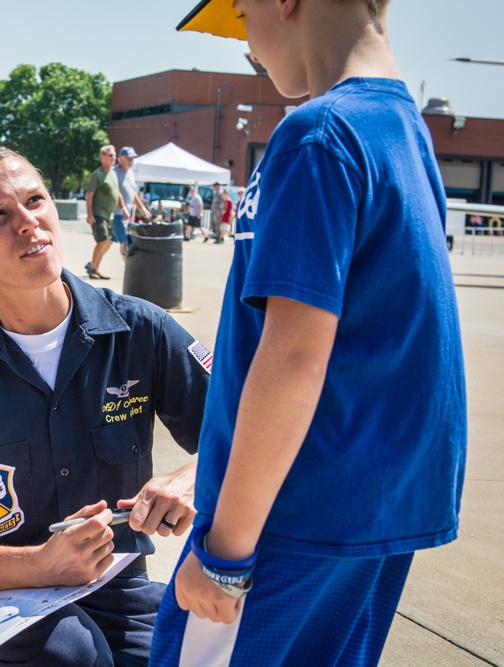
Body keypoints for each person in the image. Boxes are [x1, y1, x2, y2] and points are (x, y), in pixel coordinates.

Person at [152, 1, 467, 665]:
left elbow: (295, 354)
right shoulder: (402, 130)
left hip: (289, 516)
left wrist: (226, 553)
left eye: (242, 15)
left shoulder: (318, 134)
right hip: (380, 507)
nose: (248, 45)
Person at [0, 146, 213, 666]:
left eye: (36, 201)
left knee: (203, 644)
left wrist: (196, 476)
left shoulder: (143, 331)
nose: (29, 223)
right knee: (66, 653)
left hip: (115, 594)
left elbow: (246, 437)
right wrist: (42, 563)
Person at [84, 144, 127, 280]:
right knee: (103, 241)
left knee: (107, 241)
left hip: (110, 215)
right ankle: (92, 268)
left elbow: (117, 193)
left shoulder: (113, 174)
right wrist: (90, 214)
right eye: (110, 155)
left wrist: (123, 207)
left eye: (114, 155)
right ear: (102, 157)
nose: (114, 157)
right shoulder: (97, 174)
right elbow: (90, 195)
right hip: (99, 214)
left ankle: (95, 268)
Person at [113, 146, 152, 256]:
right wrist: (123, 208)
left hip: (126, 214)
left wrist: (142, 208)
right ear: (120, 158)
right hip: (116, 214)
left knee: (107, 242)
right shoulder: (113, 173)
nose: (131, 160)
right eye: (129, 157)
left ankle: (93, 265)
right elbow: (115, 193)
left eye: (133, 158)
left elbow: (133, 193)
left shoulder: (130, 173)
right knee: (126, 241)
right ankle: (130, 269)